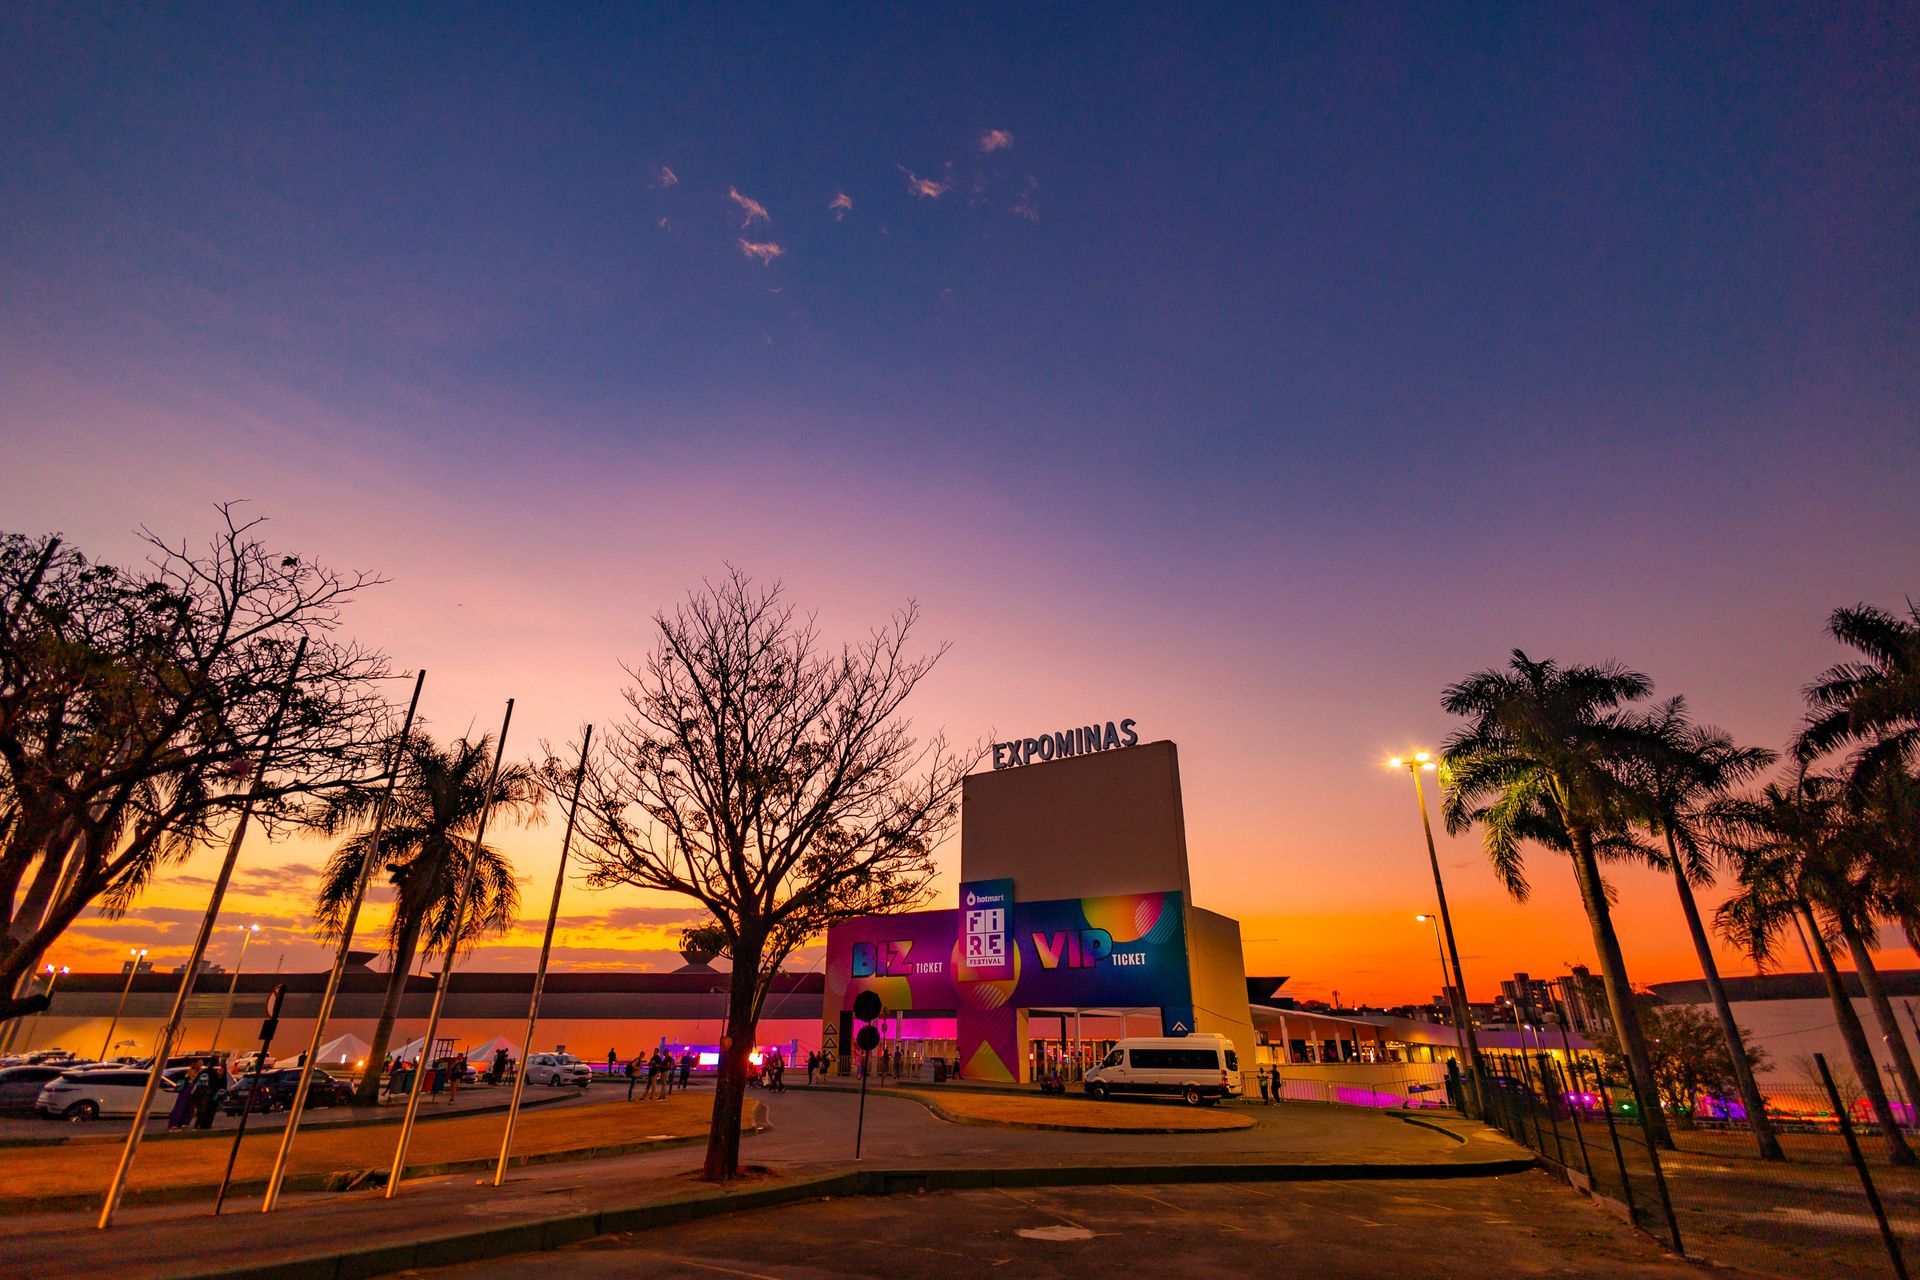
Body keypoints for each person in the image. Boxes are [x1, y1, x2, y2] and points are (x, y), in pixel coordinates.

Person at [167, 1065, 200, 1131]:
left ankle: (180, 1123)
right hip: (182, 1097)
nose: (195, 1074)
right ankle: (173, 1124)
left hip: (187, 1098)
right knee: (178, 1109)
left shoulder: (192, 1081)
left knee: (184, 1110)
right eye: (194, 1072)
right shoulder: (185, 1080)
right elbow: (180, 1087)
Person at [194, 1063, 224, 1129]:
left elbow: (195, 1082)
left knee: (201, 1110)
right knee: (206, 1111)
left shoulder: (203, 1073)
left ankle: (199, 1124)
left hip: (202, 1093)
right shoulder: (214, 1074)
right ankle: (203, 1124)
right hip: (208, 1094)